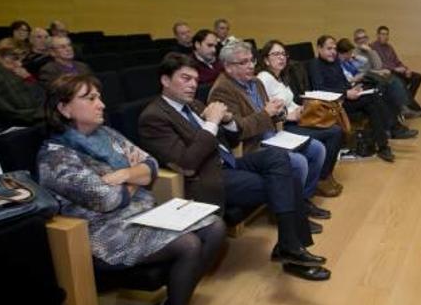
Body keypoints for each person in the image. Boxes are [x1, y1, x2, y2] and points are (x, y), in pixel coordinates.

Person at [38, 74, 226, 305]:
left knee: (216, 227)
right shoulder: (56, 157)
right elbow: (108, 200)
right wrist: (132, 179)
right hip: (101, 234)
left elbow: (150, 166)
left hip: (143, 215)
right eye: (89, 98)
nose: (101, 104)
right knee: (189, 244)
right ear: (64, 108)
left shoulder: (107, 134)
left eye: (99, 96)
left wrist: (123, 174)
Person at [138, 53, 331, 281]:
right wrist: (211, 123)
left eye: (195, 80)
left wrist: (228, 120)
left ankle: (289, 246)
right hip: (208, 177)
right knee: (285, 180)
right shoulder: (154, 117)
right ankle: (291, 251)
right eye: (185, 78)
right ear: (165, 80)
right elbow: (187, 163)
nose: (192, 85)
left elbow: (232, 138)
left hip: (230, 162)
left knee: (279, 159)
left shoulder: (195, 105)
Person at [208, 40, 331, 219]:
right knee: (298, 163)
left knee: (317, 149)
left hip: (272, 136)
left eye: (252, 60)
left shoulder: (255, 82)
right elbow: (237, 130)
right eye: (244, 62)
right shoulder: (222, 91)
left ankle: (302, 200)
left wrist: (279, 112)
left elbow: (269, 113)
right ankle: (289, 212)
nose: (251, 66)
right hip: (250, 146)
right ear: (228, 67)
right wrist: (267, 113)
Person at [256, 39, 344, 197]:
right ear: (265, 59)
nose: (281, 57)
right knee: (334, 132)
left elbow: (290, 102)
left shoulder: (280, 77)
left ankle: (323, 176)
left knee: (335, 125)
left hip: (299, 119)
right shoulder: (263, 78)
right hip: (284, 126)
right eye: (276, 54)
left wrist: (302, 108)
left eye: (283, 54)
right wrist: (290, 116)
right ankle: (322, 178)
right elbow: (266, 111)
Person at [308, 35, 410, 163]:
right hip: (332, 105)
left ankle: (383, 145)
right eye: (329, 49)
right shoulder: (314, 65)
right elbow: (320, 89)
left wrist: (354, 89)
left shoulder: (335, 63)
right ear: (319, 48)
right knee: (373, 99)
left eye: (334, 48)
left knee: (374, 99)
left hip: (345, 99)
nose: (333, 52)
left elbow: (344, 82)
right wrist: (346, 93)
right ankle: (392, 130)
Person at [0, 38, 44, 127]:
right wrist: (44, 114)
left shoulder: (16, 72)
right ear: (0, 56)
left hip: (34, 119)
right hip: (16, 126)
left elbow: (41, 97)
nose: (19, 64)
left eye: (21, 60)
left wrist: (29, 79)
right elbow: (9, 112)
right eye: (14, 58)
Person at [353, 28, 421, 119]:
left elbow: (378, 65)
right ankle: (403, 109)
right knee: (394, 81)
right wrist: (379, 71)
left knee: (401, 80)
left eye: (364, 37)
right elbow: (363, 71)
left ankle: (403, 107)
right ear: (355, 41)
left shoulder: (372, 49)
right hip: (366, 78)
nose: (362, 40)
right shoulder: (355, 53)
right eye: (359, 38)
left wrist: (370, 52)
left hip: (376, 74)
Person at [370, 25, 421, 117]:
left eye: (387, 34)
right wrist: (394, 69)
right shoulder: (373, 48)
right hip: (386, 73)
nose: (385, 36)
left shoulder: (389, 47)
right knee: (401, 83)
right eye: (382, 34)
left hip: (397, 71)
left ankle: (406, 104)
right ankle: (418, 109)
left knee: (417, 77)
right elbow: (379, 65)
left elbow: (397, 61)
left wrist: (406, 69)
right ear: (377, 35)